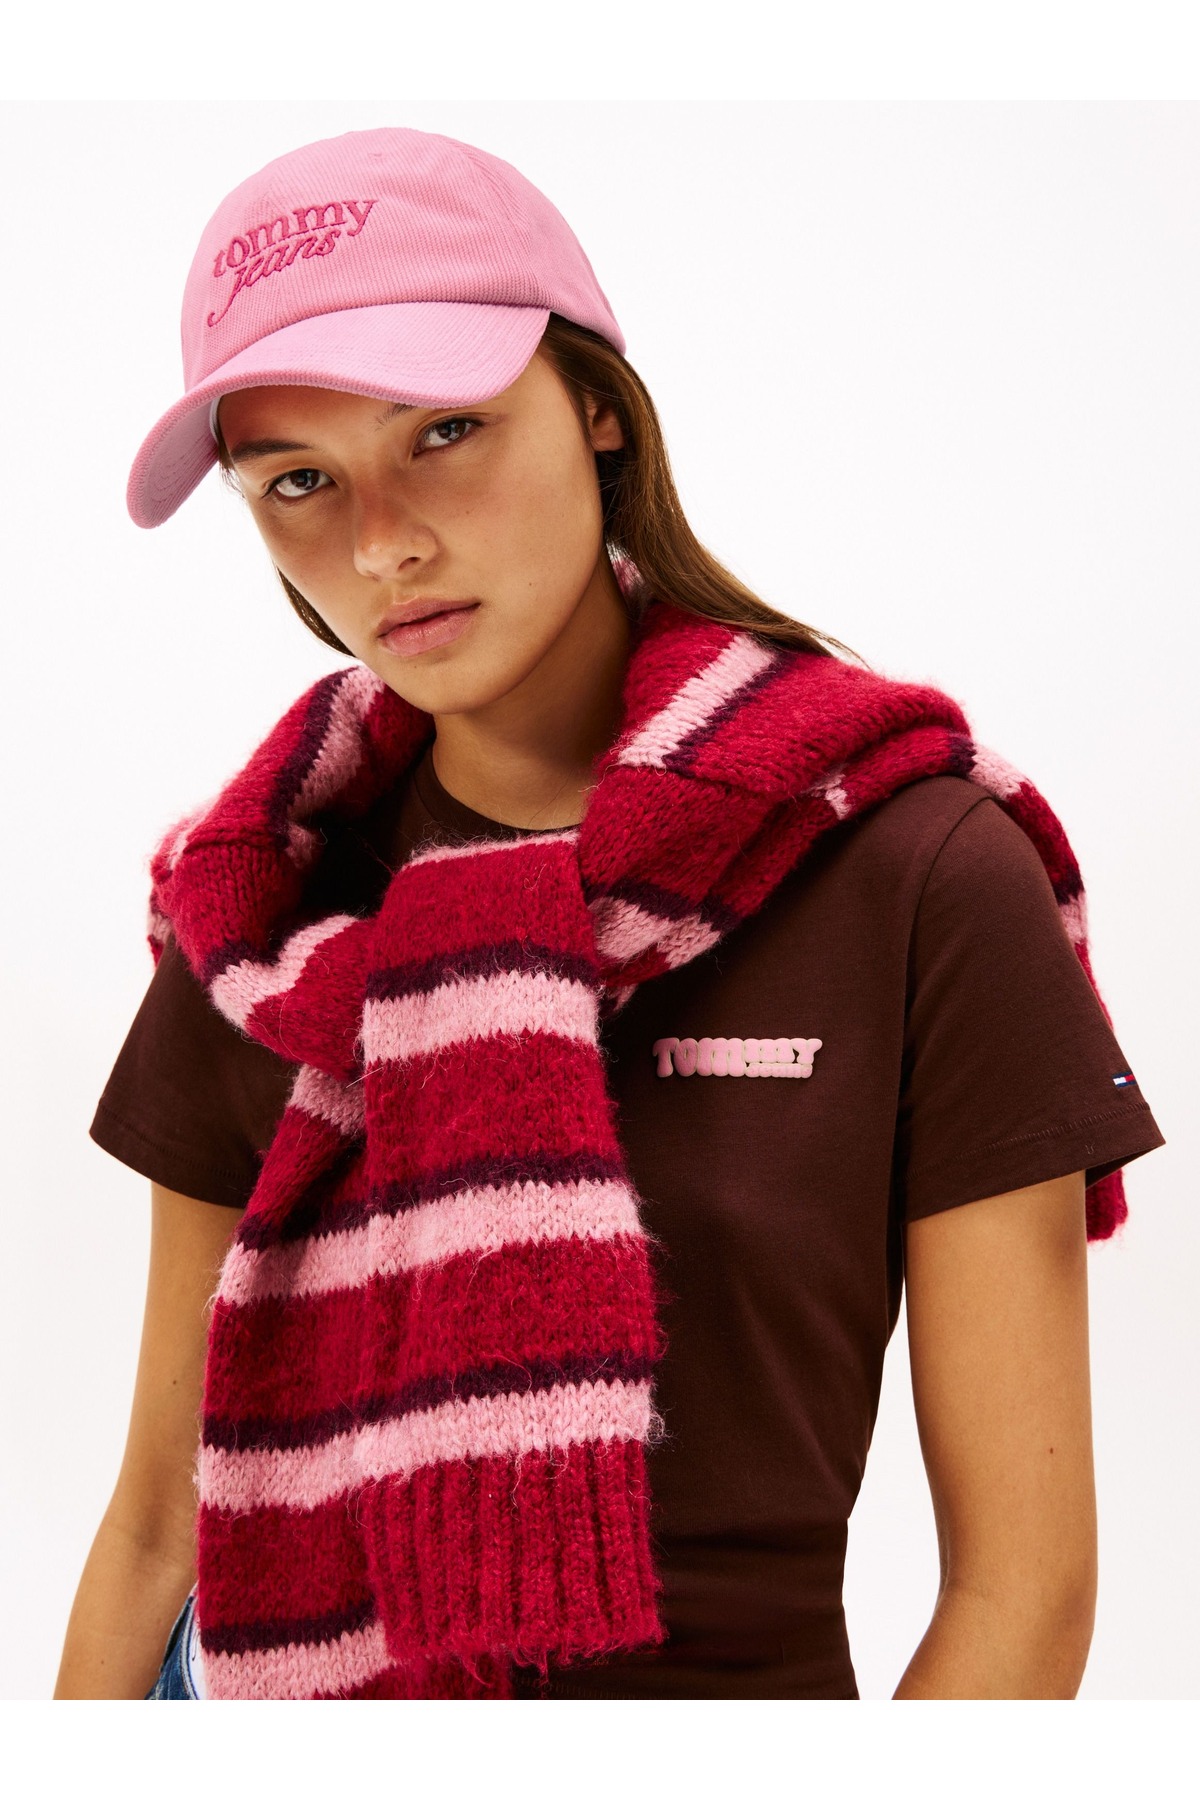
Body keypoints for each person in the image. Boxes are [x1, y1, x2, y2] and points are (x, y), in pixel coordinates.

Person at [55, 126, 1163, 1702]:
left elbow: (1025, 1593)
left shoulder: (913, 870)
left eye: (445, 431)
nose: (381, 541)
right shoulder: (259, 912)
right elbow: (161, 1529)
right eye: (297, 480)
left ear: (598, 410)